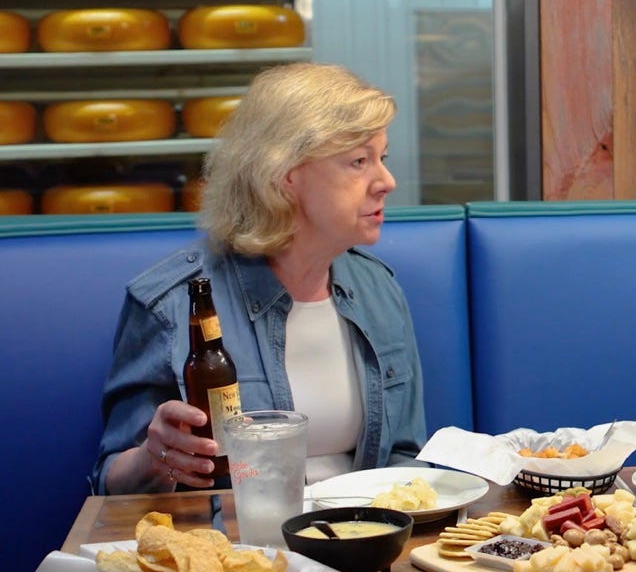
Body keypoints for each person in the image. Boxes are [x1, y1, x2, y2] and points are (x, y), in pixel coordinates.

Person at [90, 62, 427, 495]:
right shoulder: (173, 304)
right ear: (285, 175)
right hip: (237, 549)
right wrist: (155, 458)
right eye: (359, 161)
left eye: (382, 158)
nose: (387, 181)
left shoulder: (379, 289)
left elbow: (404, 458)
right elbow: (107, 486)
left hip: (366, 542)